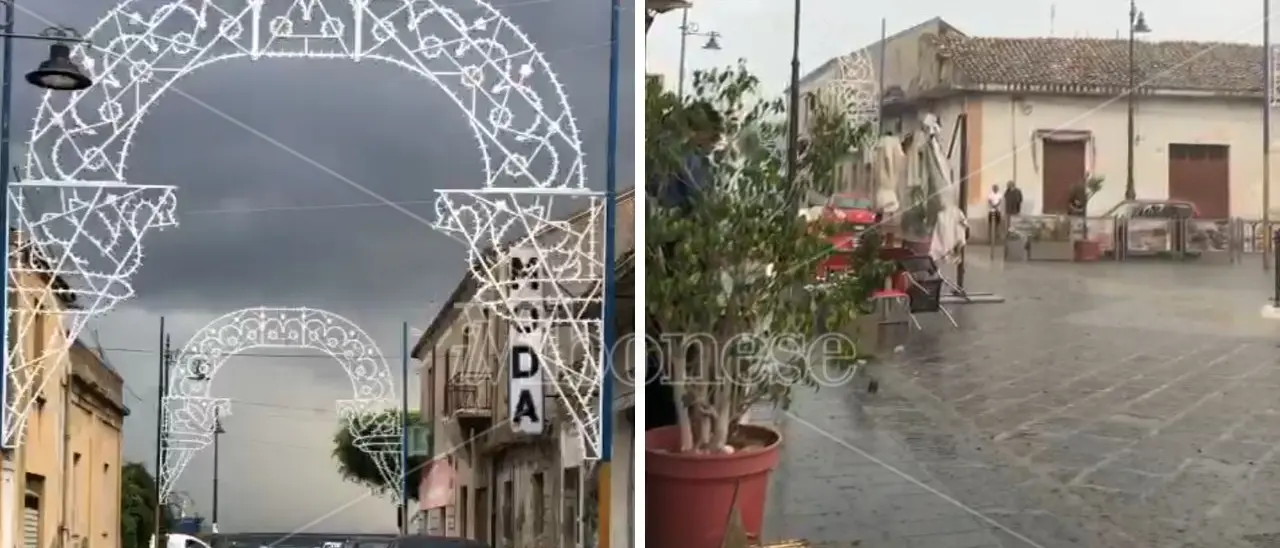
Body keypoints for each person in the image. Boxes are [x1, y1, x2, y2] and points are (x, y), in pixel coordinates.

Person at [644, 101, 723, 431]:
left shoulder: (656, 153)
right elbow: (703, 202)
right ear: (698, 132)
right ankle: (686, 420)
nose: (712, 146)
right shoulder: (689, 158)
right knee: (691, 341)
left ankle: (664, 418)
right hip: (684, 253)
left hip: (659, 254)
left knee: (662, 339)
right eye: (711, 140)